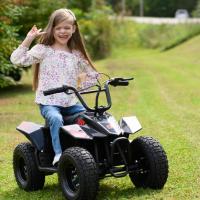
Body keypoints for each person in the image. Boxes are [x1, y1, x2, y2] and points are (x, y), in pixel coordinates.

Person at [10, 8, 99, 165]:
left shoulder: (76, 53)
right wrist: (29, 38)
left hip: (71, 104)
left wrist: (79, 90)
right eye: (58, 28)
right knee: (56, 118)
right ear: (52, 29)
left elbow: (93, 75)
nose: (63, 31)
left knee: (91, 117)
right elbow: (17, 60)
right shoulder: (44, 50)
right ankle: (59, 154)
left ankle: (89, 153)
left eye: (67, 27)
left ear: (74, 28)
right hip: (49, 103)